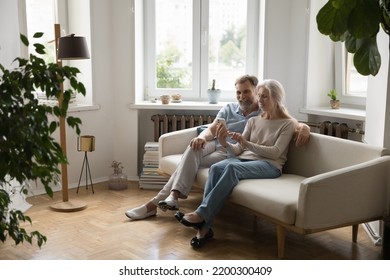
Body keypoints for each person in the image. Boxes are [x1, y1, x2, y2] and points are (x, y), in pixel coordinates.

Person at [125, 75, 309, 220]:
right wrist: (201, 137)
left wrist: (304, 127)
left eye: (246, 92)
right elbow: (213, 128)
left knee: (187, 162)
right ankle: (171, 198)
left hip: (231, 152)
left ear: (256, 91)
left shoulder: (264, 108)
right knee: (193, 148)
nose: (241, 96)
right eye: (238, 92)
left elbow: (286, 120)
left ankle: (156, 203)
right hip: (218, 144)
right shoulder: (229, 108)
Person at [175, 79, 297, 249]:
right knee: (216, 167)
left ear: (276, 98)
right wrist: (225, 143)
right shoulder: (254, 121)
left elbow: (275, 152)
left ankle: (202, 214)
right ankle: (205, 229)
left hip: (269, 165)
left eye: (265, 97)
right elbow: (238, 150)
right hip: (245, 159)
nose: (260, 101)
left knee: (231, 167)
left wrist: (246, 144)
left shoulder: (287, 124)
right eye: (259, 96)